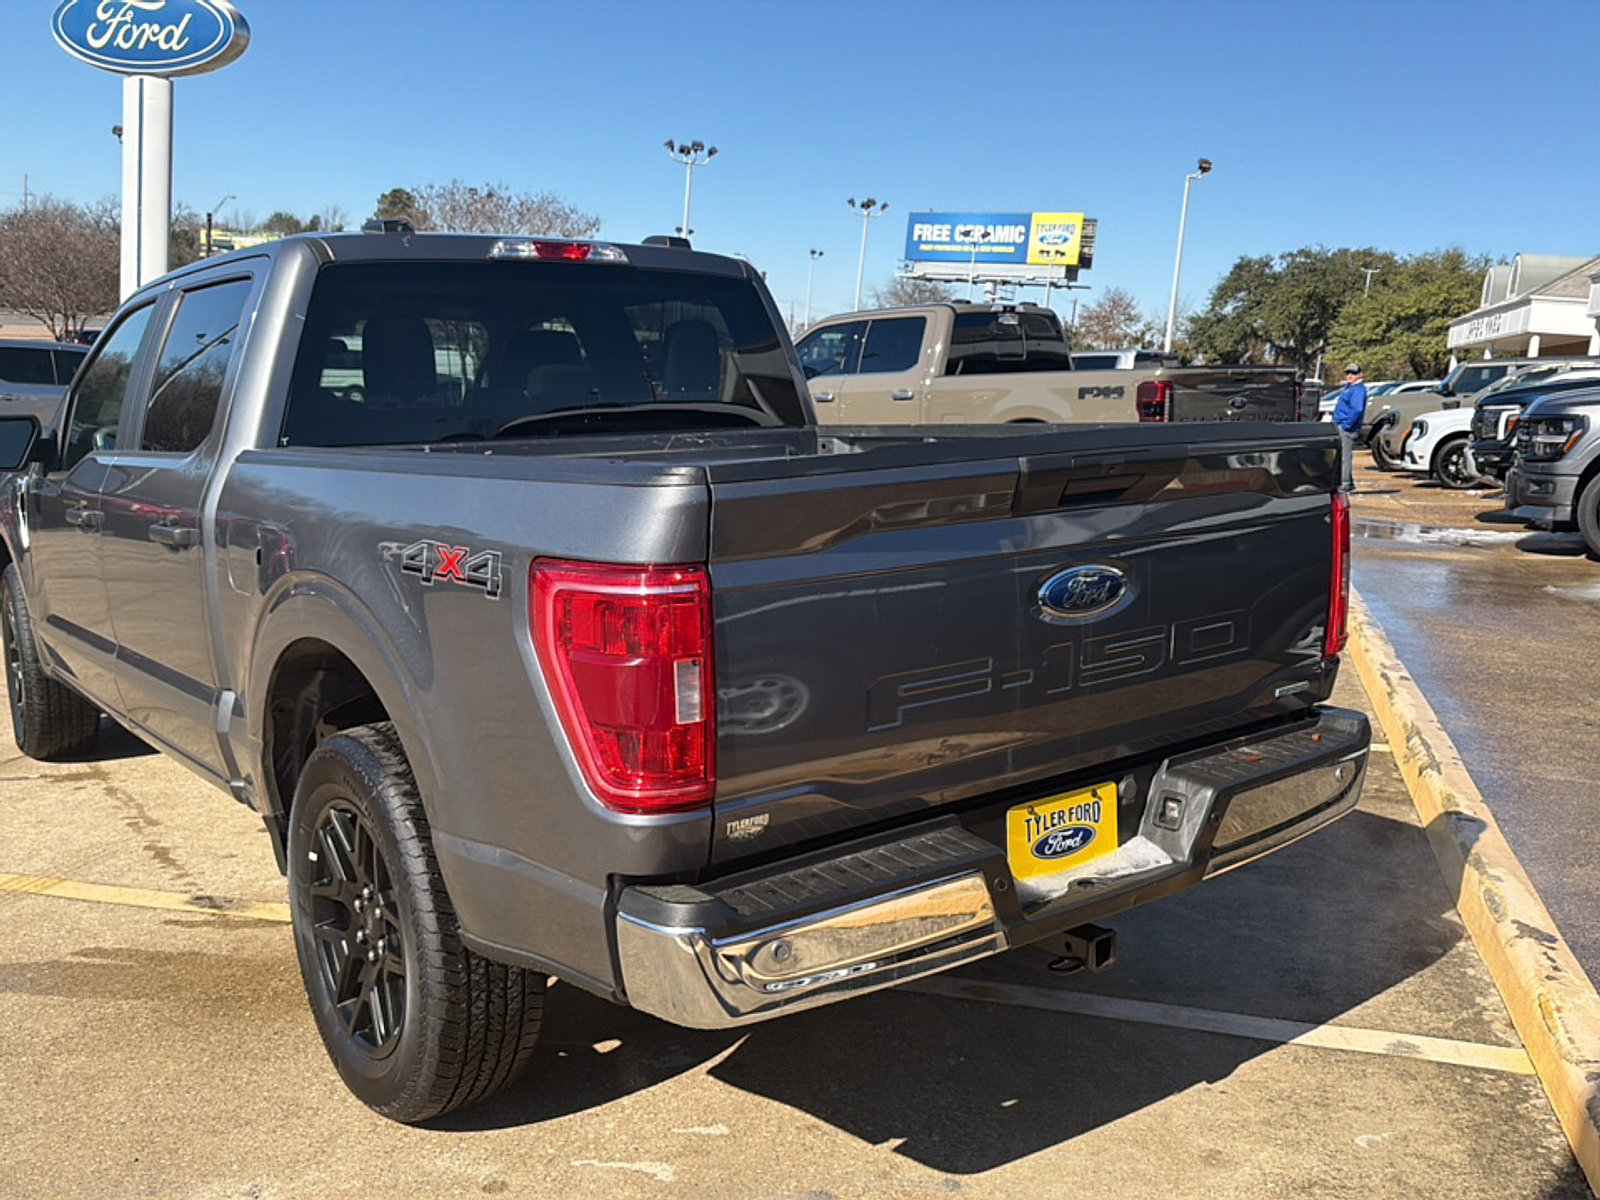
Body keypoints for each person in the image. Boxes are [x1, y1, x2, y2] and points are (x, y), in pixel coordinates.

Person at [1331, 363, 1367, 487]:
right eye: (1348, 373)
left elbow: (1357, 409)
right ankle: (1349, 482)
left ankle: (1345, 483)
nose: (1350, 376)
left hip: (1347, 428)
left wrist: (1347, 425)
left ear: (1360, 375)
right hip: (1340, 425)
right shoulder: (1349, 387)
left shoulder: (1358, 390)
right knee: (1341, 455)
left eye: (1353, 373)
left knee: (1344, 457)